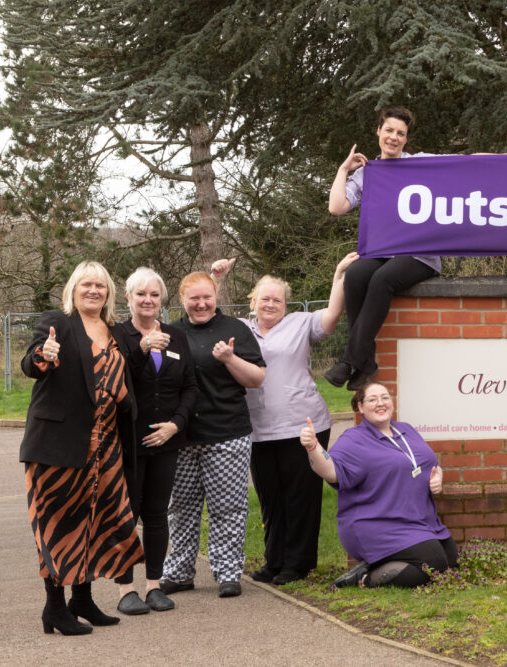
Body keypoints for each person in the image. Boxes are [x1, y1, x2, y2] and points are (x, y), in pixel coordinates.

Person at [325, 106, 507, 391]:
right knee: (354, 276)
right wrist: (343, 169)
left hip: (418, 256)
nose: (394, 137)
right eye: (388, 130)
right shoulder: (369, 173)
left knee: (382, 280)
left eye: (400, 133)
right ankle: (366, 364)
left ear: (406, 138)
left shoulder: (420, 163)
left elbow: (468, 161)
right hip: (381, 251)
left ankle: (351, 361)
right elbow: (337, 207)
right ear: (378, 131)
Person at [210, 253, 358, 586]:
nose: (271, 304)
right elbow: (207, 312)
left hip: (303, 424)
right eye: (265, 298)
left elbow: (333, 315)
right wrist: (216, 278)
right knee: (271, 498)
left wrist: (339, 273)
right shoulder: (241, 328)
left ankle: (298, 564)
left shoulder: (301, 323)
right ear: (254, 301)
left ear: (286, 304)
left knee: (301, 496)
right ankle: (274, 560)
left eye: (278, 300)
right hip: (259, 428)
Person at [20, 260, 143, 635]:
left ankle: (82, 600)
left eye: (100, 286)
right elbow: (30, 362)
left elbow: (130, 375)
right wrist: (46, 356)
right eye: (86, 284)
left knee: (96, 522)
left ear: (108, 293)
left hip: (105, 446)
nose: (93, 290)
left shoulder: (116, 331)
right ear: (73, 289)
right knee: (58, 525)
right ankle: (54, 609)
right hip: (58, 446)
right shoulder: (57, 321)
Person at [160, 271, 266, 599]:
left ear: (216, 296)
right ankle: (178, 572)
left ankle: (228, 572)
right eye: (194, 298)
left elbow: (257, 379)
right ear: (182, 300)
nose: (202, 303)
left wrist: (229, 358)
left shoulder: (235, 330)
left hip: (226, 434)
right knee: (181, 507)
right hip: (180, 436)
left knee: (228, 507)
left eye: (207, 297)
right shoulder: (169, 333)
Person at [300, 382, 455, 589]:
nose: (380, 403)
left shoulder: (406, 430)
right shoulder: (354, 439)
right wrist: (313, 447)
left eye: (385, 397)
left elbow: (429, 462)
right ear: (361, 407)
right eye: (372, 400)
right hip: (376, 522)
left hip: (416, 520)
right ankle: (365, 578)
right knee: (433, 563)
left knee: (450, 560)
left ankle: (379, 563)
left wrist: (438, 477)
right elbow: (330, 471)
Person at [113, 268, 198, 615]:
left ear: (162, 300)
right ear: (129, 298)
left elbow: (190, 387)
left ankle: (154, 586)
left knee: (158, 513)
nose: (148, 300)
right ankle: (125, 589)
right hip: (129, 439)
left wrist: (176, 426)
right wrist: (143, 348)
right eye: (141, 294)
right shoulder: (118, 334)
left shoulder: (176, 336)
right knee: (127, 514)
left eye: (154, 295)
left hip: (166, 440)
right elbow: (118, 380)